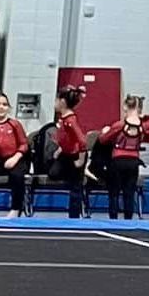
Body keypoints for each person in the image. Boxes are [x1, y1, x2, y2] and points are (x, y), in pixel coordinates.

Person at [37, 86, 88, 219]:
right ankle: (70, 173)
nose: (54, 103)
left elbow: (82, 141)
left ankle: (74, 217)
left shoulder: (70, 120)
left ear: (62, 102)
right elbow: (66, 138)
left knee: (75, 187)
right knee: (53, 173)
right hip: (65, 153)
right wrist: (60, 150)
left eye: (56, 100)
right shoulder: (64, 119)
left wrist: (81, 160)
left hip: (76, 155)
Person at [102, 96, 145, 219]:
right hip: (133, 161)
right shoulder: (143, 126)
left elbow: (103, 139)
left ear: (125, 107)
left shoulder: (120, 125)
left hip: (118, 161)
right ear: (139, 108)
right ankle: (128, 221)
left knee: (114, 193)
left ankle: (113, 220)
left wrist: (105, 131)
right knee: (129, 193)